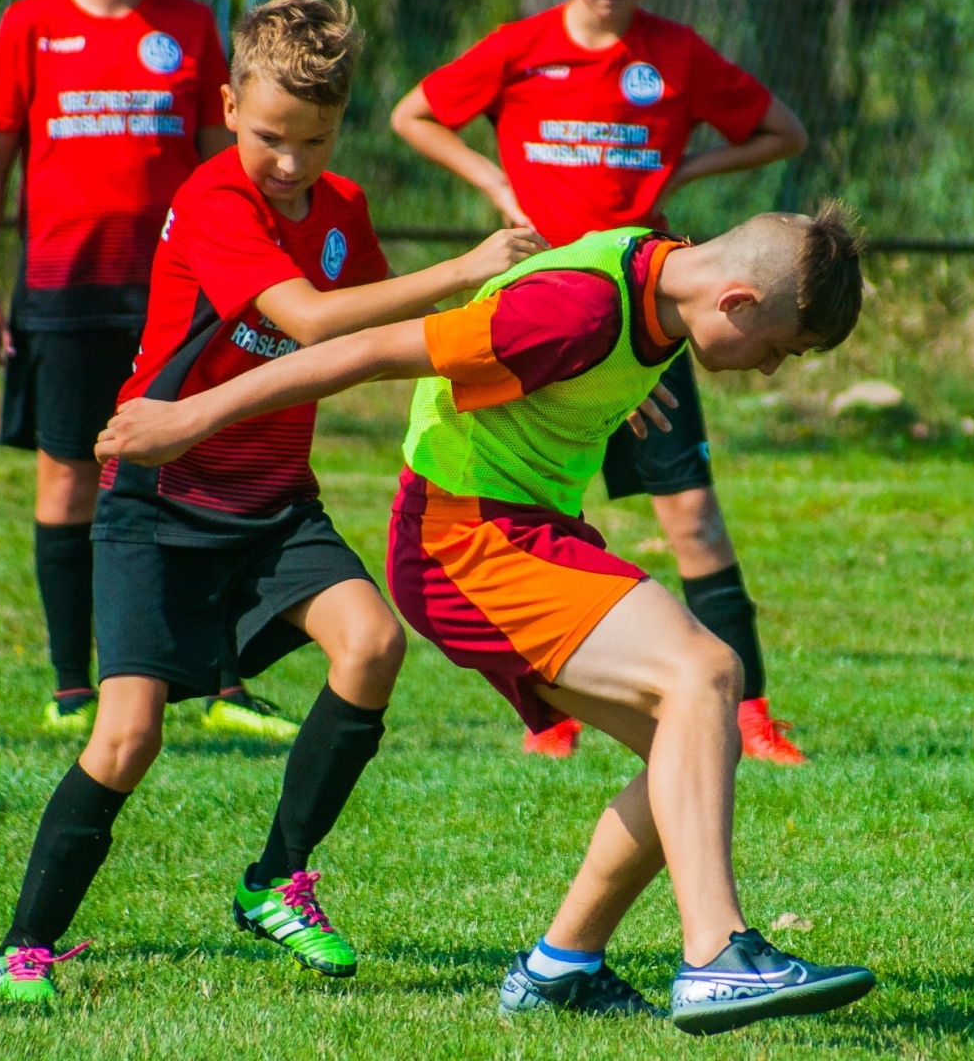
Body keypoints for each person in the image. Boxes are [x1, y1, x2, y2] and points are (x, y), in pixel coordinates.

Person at [97, 208, 874, 1034]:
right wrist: (191, 416)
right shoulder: (574, 312)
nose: (768, 373)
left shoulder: (659, 275)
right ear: (739, 302)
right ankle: (718, 955)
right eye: (779, 350)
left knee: (686, 744)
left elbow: (589, 308)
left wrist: (607, 392)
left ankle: (559, 969)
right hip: (462, 538)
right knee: (708, 673)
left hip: (520, 530)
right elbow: (367, 351)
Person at [0, 0, 545, 1004]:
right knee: (126, 736)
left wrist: (538, 362)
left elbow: (381, 346)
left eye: (315, 142)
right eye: (272, 135)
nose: (290, 163)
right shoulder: (210, 200)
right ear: (230, 104)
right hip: (158, 501)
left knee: (372, 644)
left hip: (276, 504)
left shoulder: (344, 211)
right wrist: (464, 269)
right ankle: (21, 949)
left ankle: (278, 878)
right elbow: (317, 323)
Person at [391, 0, 810, 763]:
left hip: (652, 319)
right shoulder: (519, 48)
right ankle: (546, 709)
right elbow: (410, 113)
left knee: (693, 519)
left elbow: (784, 132)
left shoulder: (674, 54)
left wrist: (683, 173)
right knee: (520, 498)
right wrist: (495, 185)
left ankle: (750, 711)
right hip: (549, 319)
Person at [0, 0, 270, 736]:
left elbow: (221, 165)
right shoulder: (30, 24)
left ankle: (222, 686)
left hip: (175, 296)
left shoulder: (192, 24)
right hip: (64, 292)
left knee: (204, 470)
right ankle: (72, 685)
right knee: (69, 479)